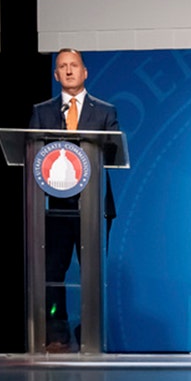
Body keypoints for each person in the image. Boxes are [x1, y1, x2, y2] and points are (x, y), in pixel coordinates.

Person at [29, 48, 120, 353]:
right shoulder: (41, 112)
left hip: (93, 207)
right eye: (62, 67)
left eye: (74, 66)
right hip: (54, 208)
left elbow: (112, 152)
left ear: (85, 72)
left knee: (91, 273)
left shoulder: (105, 111)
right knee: (53, 272)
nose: (68, 71)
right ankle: (57, 332)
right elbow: (33, 155)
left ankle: (89, 330)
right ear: (56, 75)